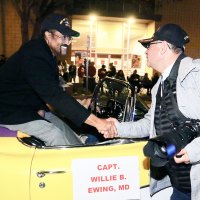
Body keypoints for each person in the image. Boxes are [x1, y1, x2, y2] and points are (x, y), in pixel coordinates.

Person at [107, 24, 200, 200]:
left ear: (164, 47)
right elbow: (149, 124)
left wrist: (195, 151)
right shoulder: (160, 85)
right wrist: (118, 128)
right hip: (180, 186)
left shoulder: (196, 74)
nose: (146, 51)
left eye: (149, 46)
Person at [0, 13, 116, 146]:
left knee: (61, 125)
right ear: (48, 35)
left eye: (69, 38)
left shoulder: (46, 53)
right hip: (8, 112)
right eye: (63, 37)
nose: (67, 42)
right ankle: (72, 164)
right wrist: (98, 123)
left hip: (25, 107)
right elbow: (54, 95)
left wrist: (78, 104)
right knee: (54, 135)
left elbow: (40, 88)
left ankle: (79, 146)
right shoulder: (34, 54)